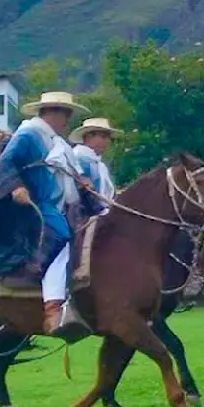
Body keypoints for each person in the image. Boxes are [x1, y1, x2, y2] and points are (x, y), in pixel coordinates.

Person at [0, 91, 88, 336]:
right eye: (66, 113)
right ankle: (52, 304)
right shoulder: (29, 134)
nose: (68, 119)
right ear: (51, 112)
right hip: (39, 205)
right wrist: (16, 187)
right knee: (62, 235)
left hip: (61, 206)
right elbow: (6, 162)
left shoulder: (57, 142)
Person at [55, 117, 119, 297]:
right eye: (103, 136)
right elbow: (84, 191)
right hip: (83, 212)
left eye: (108, 137)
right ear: (89, 136)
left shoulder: (97, 162)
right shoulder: (80, 158)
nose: (107, 141)